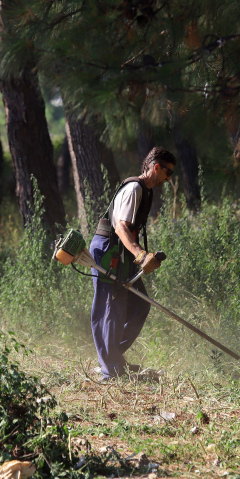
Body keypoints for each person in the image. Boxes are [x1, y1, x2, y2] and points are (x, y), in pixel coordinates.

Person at [89, 147, 176, 379]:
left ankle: (112, 358)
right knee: (112, 308)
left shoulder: (146, 191)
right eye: (168, 174)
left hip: (122, 252)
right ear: (156, 167)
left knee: (140, 305)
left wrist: (144, 256)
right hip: (108, 251)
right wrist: (140, 255)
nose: (169, 180)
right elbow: (120, 227)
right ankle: (110, 372)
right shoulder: (134, 188)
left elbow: (131, 230)